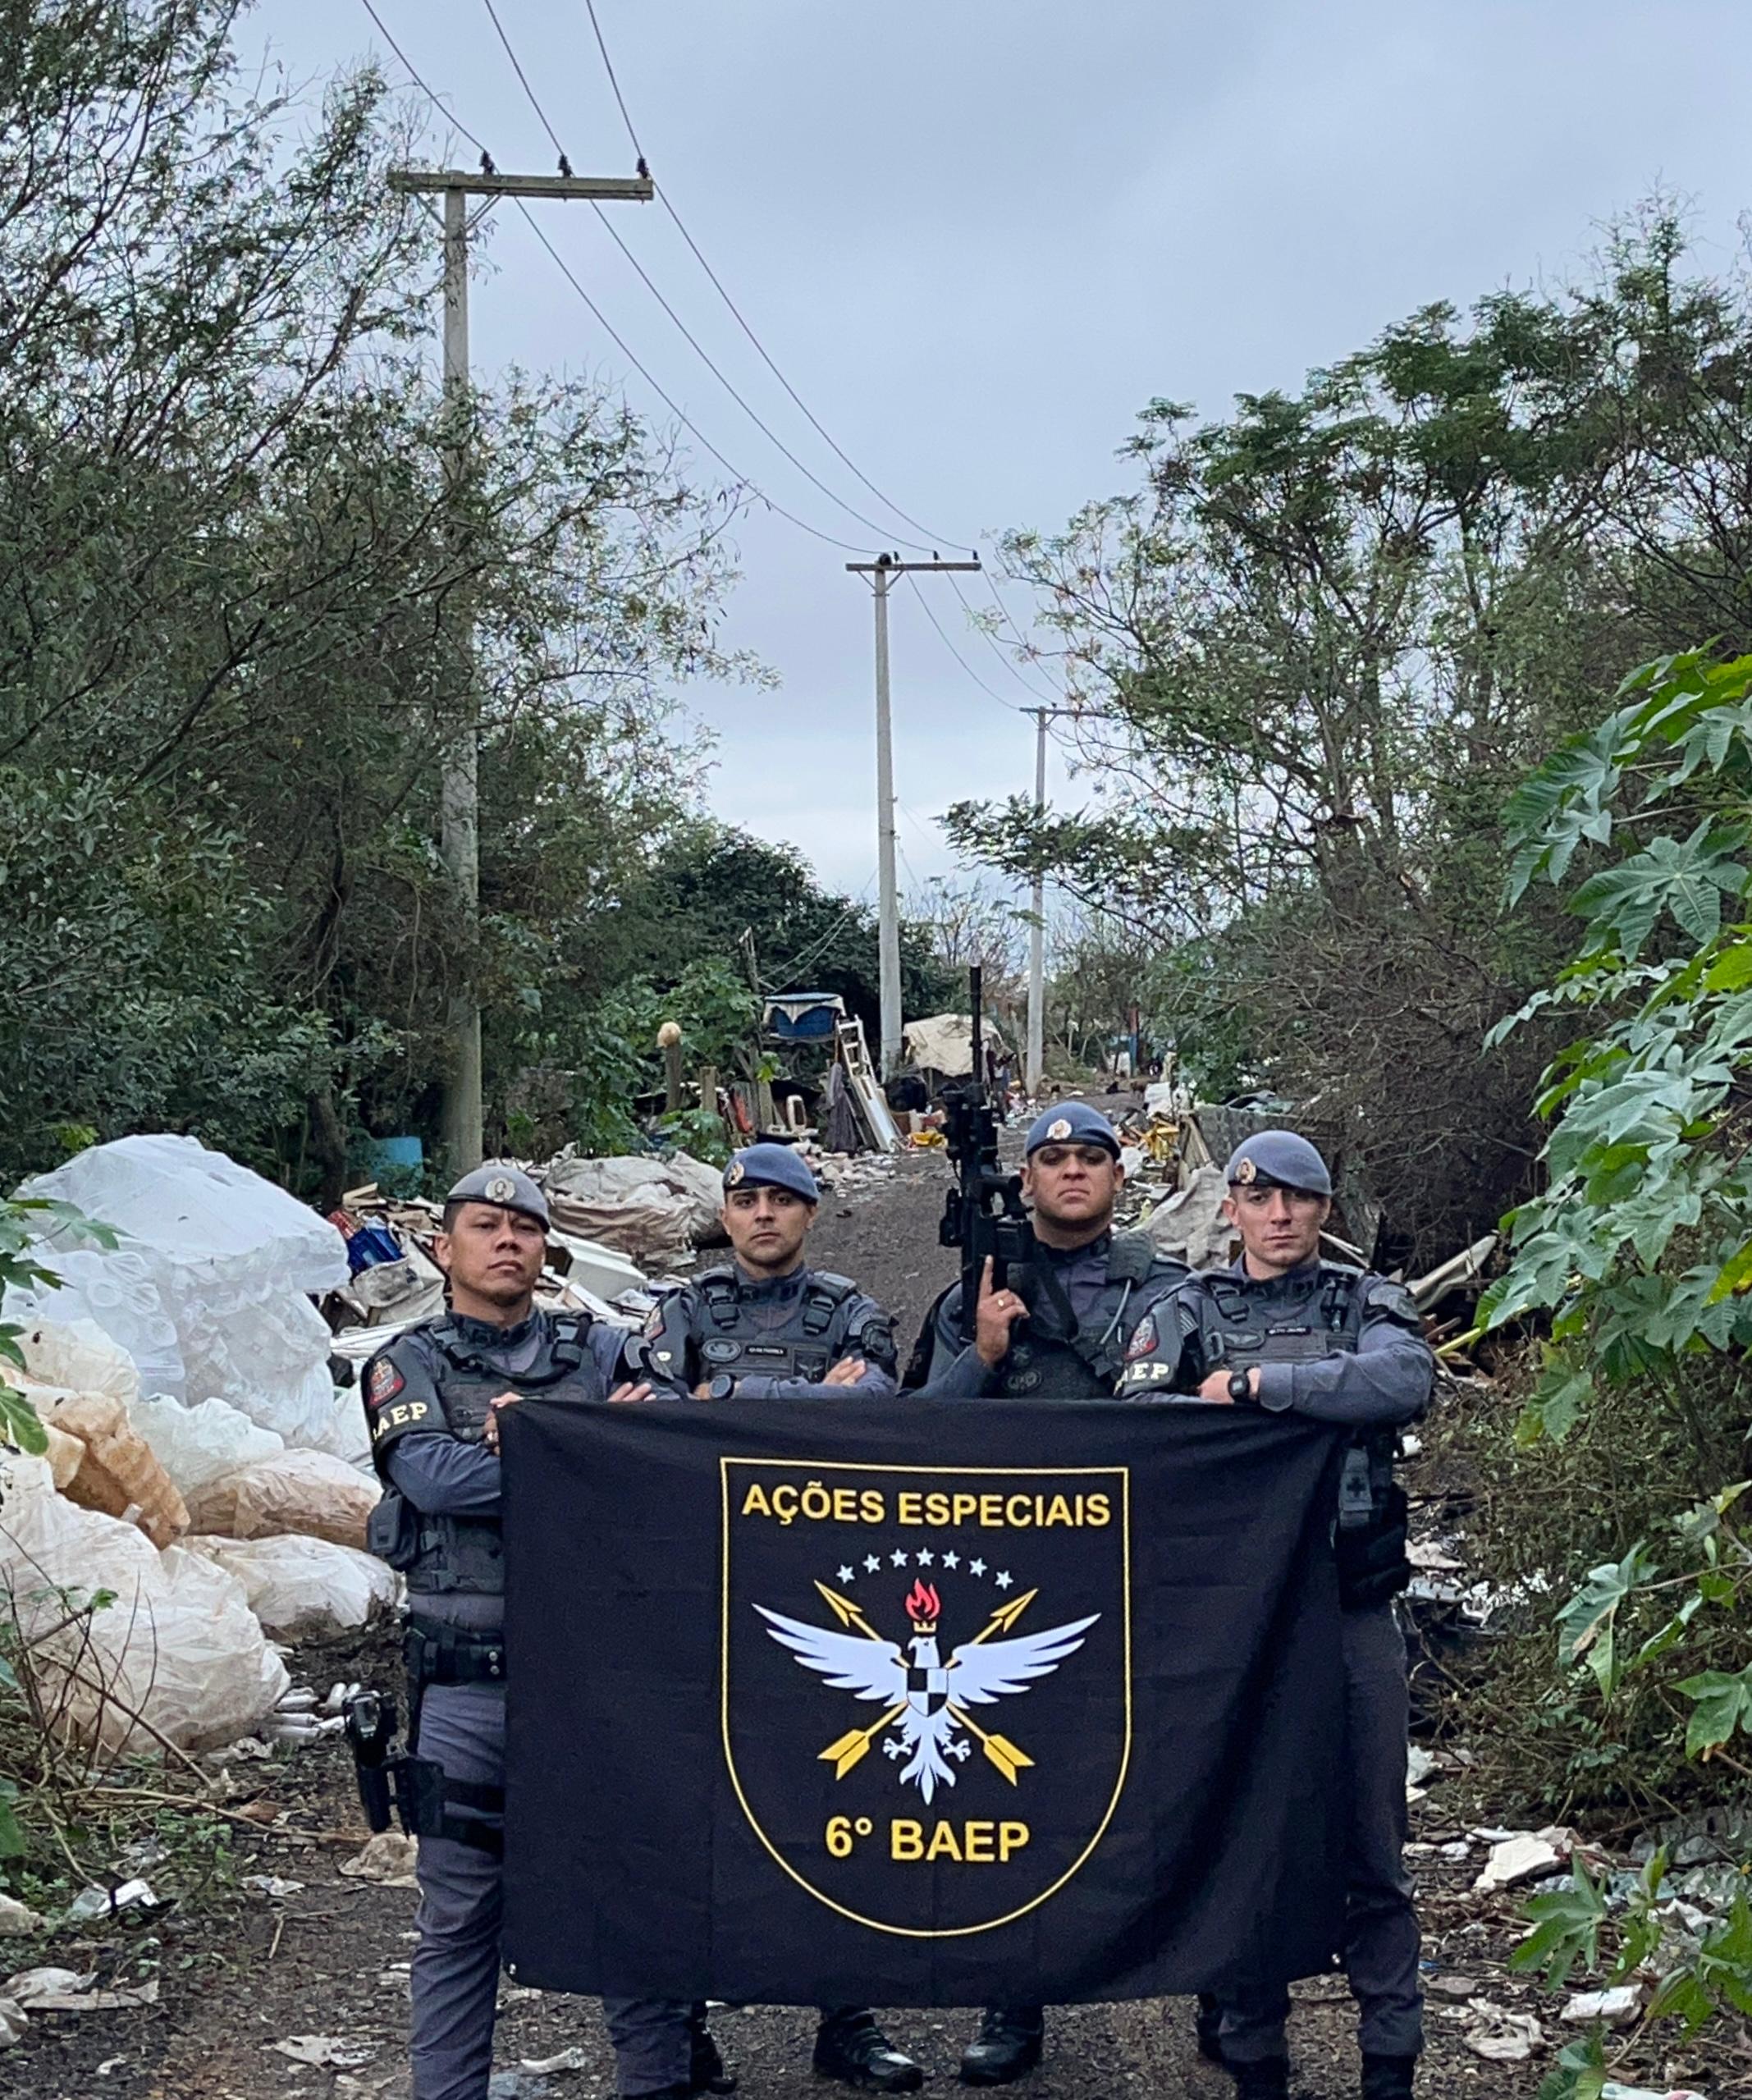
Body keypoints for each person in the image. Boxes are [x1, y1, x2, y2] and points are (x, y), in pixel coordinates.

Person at [363, 1164, 724, 2100]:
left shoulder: (598, 1349)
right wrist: (580, 1449)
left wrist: (536, 1436)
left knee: (632, 1902)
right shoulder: (408, 1362)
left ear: (545, 1248)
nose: (507, 1241)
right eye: (486, 1226)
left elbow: (671, 1446)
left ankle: (655, 2085)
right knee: (459, 1919)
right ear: (444, 1247)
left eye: (524, 1227)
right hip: (466, 1686)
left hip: (602, 1687)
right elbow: (435, 1480)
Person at [1126, 1131, 1432, 2100]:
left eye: (1300, 1200)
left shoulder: (1363, 1304)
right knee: (1248, 1842)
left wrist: (1263, 1388)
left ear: (1323, 1212)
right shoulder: (1183, 1313)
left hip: (1348, 1608)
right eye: (1260, 1200)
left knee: (1372, 1848)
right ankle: (1254, 2058)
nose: (1281, 1216)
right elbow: (1131, 1427)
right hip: (1234, 1627)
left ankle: (1390, 2061)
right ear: (1231, 1209)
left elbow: (1401, 1379)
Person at [907, 1102, 1190, 2087]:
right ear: (1024, 1180)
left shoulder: (1166, 1288)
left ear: (1118, 1177)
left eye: (1091, 1158)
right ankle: (1012, 2002)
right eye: (1053, 1159)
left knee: (1171, 1781)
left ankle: (1214, 1983)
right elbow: (915, 1436)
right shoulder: (975, 1287)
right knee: (1016, 1798)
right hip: (1014, 1588)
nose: (1072, 1173)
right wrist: (982, 1350)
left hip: (1134, 1570)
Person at [645, 1142, 922, 2094]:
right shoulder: (680, 1310)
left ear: (810, 1213)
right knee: (689, 1822)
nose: (763, 1214)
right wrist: (793, 1402)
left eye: (781, 1200)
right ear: (723, 1215)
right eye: (746, 1199)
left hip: (822, 1597)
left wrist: (722, 1396)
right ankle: (680, 2037)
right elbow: (649, 1420)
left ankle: (846, 2020)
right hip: (706, 1594)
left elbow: (873, 1410)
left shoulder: (847, 1308)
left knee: (839, 1818)